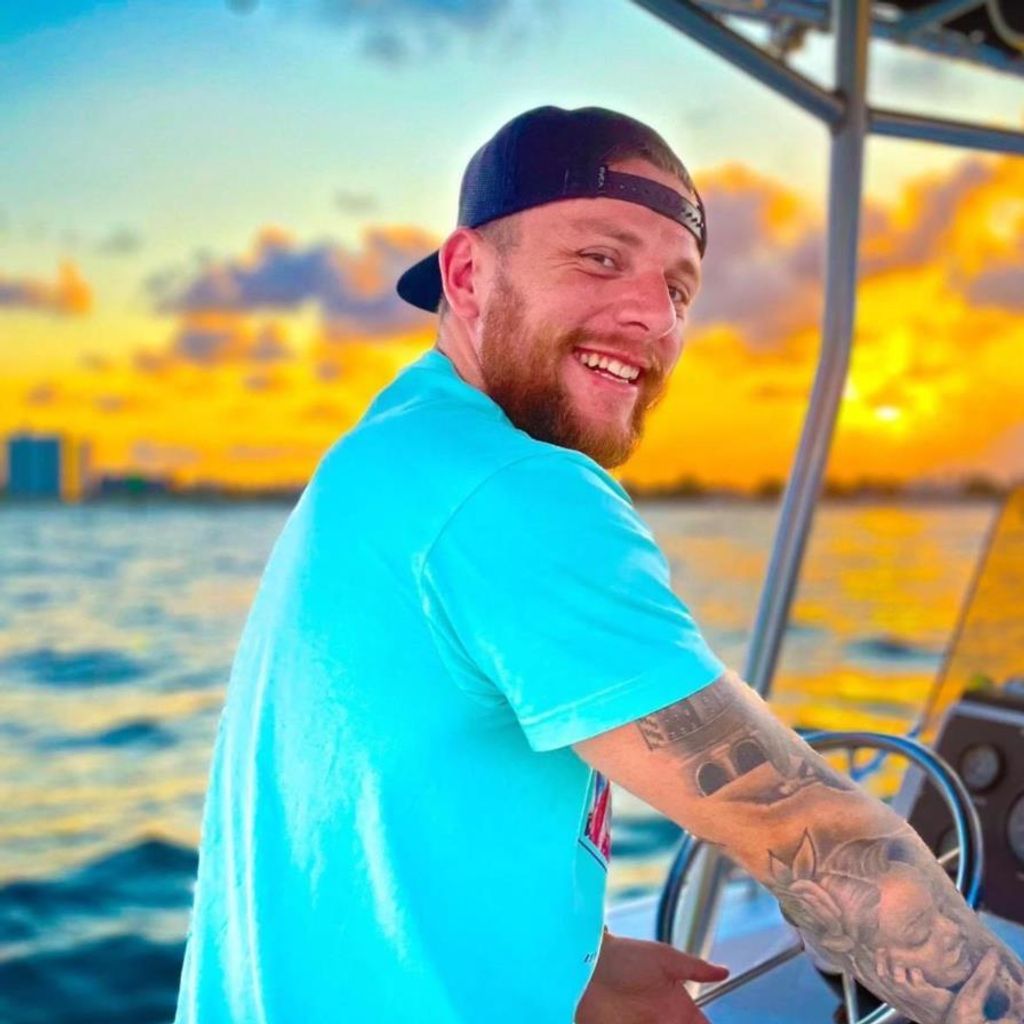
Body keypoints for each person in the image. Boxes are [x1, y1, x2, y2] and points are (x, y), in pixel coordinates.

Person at [174, 105, 1024, 1024]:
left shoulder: (390, 454)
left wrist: (572, 964)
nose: (654, 317)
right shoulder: (511, 487)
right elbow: (805, 833)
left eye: (680, 290)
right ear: (467, 275)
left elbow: (353, 817)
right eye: (600, 258)